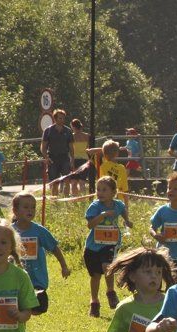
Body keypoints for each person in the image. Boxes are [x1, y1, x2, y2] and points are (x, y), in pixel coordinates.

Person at [11, 192, 71, 315]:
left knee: (39, 309)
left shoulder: (39, 231)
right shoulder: (9, 231)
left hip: (37, 279)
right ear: (15, 211)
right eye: (26, 207)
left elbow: (54, 248)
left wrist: (64, 266)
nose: (30, 210)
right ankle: (22, 323)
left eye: (33, 207)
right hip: (16, 279)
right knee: (19, 308)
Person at [84, 175, 132, 317]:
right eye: (98, 189)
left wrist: (127, 220)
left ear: (113, 192)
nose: (100, 193)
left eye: (104, 190)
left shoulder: (118, 205)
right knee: (95, 276)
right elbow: (90, 225)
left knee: (107, 267)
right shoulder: (95, 206)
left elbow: (123, 210)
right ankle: (94, 302)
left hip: (111, 243)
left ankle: (110, 292)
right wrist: (103, 215)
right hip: (93, 246)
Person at [40, 109, 74, 196]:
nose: (62, 120)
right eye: (60, 118)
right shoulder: (48, 131)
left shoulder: (68, 131)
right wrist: (46, 158)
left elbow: (71, 147)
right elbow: (43, 147)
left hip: (64, 158)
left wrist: (72, 160)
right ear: (55, 119)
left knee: (67, 180)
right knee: (55, 182)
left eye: (63, 118)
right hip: (52, 158)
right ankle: (55, 200)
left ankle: (66, 199)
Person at [70, 119, 90, 196]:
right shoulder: (87, 136)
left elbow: (70, 150)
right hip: (85, 160)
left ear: (73, 127)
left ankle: (74, 198)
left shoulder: (72, 136)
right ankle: (84, 198)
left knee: (74, 182)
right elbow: (88, 148)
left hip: (75, 160)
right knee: (82, 182)